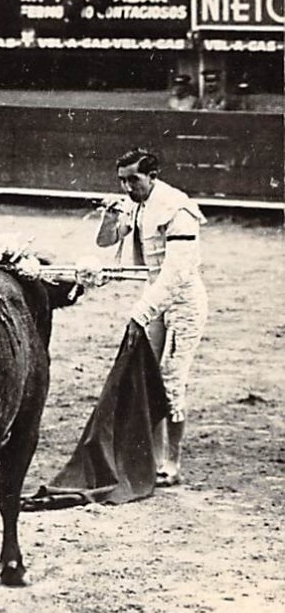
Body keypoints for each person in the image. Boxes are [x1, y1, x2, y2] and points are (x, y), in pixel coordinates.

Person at [96, 147, 208, 486]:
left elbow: (174, 274)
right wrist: (110, 218)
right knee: (151, 381)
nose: (128, 188)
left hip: (183, 305)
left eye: (134, 180)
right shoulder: (136, 204)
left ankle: (171, 464)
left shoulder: (179, 210)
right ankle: (156, 459)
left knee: (172, 381)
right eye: (122, 182)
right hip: (157, 302)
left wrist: (140, 313)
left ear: (153, 177)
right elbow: (104, 242)